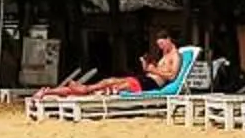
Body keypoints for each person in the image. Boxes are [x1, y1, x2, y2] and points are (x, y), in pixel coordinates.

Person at [34, 32, 181, 101]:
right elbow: (153, 71)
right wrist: (147, 66)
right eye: (159, 45)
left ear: (169, 39)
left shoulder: (176, 56)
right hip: (145, 80)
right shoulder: (165, 56)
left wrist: (153, 69)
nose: (161, 47)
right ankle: (49, 92)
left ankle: (78, 89)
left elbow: (172, 76)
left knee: (110, 87)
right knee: (108, 81)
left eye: (162, 44)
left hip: (151, 84)